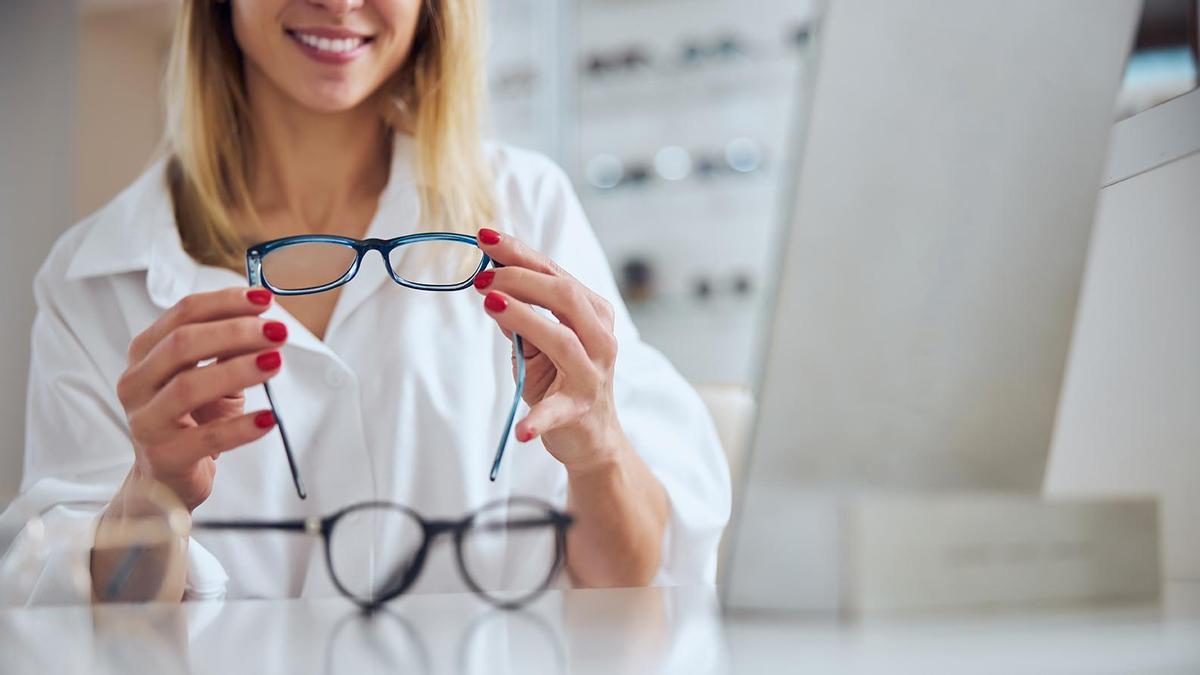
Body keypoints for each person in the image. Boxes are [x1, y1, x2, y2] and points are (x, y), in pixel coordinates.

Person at [0, 0, 729, 603]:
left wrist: (599, 451)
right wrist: (153, 493)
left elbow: (639, 593)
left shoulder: (528, 209)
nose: (341, 3)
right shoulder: (95, 277)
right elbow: (83, 631)